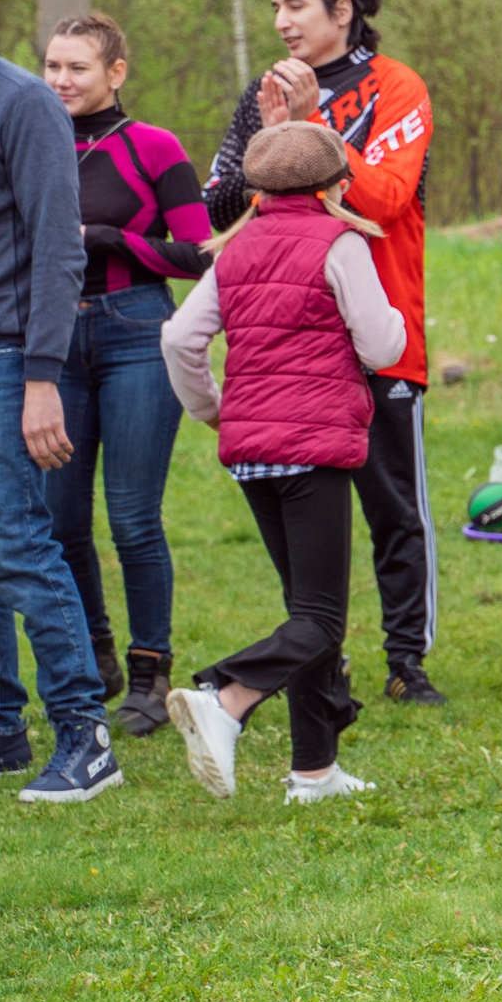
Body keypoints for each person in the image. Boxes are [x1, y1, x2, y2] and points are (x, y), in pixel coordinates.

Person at [203, 0, 442, 707]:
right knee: (307, 522)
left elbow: (389, 200)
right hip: (293, 340)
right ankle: (319, 658)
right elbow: (219, 206)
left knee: (393, 509)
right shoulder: (261, 92)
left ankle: (407, 659)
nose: (281, 21)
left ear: (343, 11)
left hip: (378, 329)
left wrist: (310, 131)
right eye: (275, 5)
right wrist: (265, 150)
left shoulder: (395, 86)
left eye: (296, 5)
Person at [159, 123, 405, 803]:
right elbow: (381, 345)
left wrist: (212, 409)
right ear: (334, 185)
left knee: (304, 609)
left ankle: (314, 771)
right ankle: (225, 695)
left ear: (258, 188)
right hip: (314, 449)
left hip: (251, 453)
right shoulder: (340, 241)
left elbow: (181, 338)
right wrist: (401, 320)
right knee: (322, 619)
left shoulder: (234, 247)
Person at [41, 14, 211, 739]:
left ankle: (150, 673)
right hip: (51, 337)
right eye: (51, 66)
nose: (60, 81)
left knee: (133, 517)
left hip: (137, 328)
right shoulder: (32, 140)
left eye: (77, 67)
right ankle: (96, 658)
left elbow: (201, 255)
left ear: (116, 72)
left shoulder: (154, 146)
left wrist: (113, 240)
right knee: (58, 520)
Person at [0, 33, 114, 804]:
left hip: (5, 356)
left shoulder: (24, 101)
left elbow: (58, 253)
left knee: (17, 542)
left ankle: (84, 733)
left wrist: (42, 377)